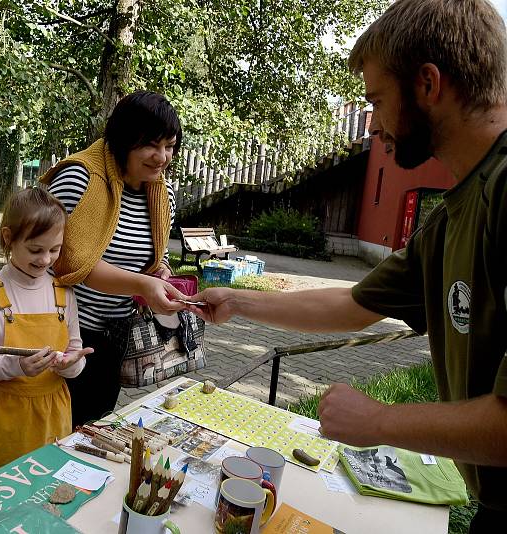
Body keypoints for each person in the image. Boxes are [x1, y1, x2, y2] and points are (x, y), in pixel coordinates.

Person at [190, 1, 507, 529]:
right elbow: (354, 303)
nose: (372, 122)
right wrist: (238, 300)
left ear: (428, 85)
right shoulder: (456, 212)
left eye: (377, 100)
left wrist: (381, 419)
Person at [40, 91, 188, 427]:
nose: (162, 157)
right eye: (151, 144)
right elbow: (65, 261)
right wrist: (142, 283)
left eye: (170, 145)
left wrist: (162, 275)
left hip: (116, 338)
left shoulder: (163, 196)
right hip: (61, 334)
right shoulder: (79, 179)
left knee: (91, 430)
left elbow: (156, 258)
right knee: (49, 429)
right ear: (123, 140)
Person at [0, 187, 94, 469]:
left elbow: (74, 351)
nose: (45, 259)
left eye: (54, 249)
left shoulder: (64, 294)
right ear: (9, 238)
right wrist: (15, 367)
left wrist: (70, 365)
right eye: (35, 250)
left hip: (51, 417)